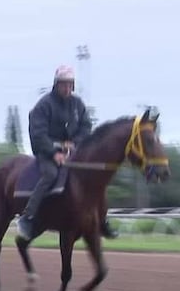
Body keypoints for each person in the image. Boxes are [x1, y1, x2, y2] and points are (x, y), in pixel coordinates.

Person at [17, 65, 119, 241]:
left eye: (70, 84)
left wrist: (75, 143)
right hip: (46, 152)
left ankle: (101, 219)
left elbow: (86, 127)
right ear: (56, 84)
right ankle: (28, 216)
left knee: (92, 177)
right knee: (50, 175)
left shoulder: (78, 104)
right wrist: (53, 153)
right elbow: (38, 134)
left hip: (72, 151)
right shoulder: (44, 105)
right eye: (63, 84)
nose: (67, 88)